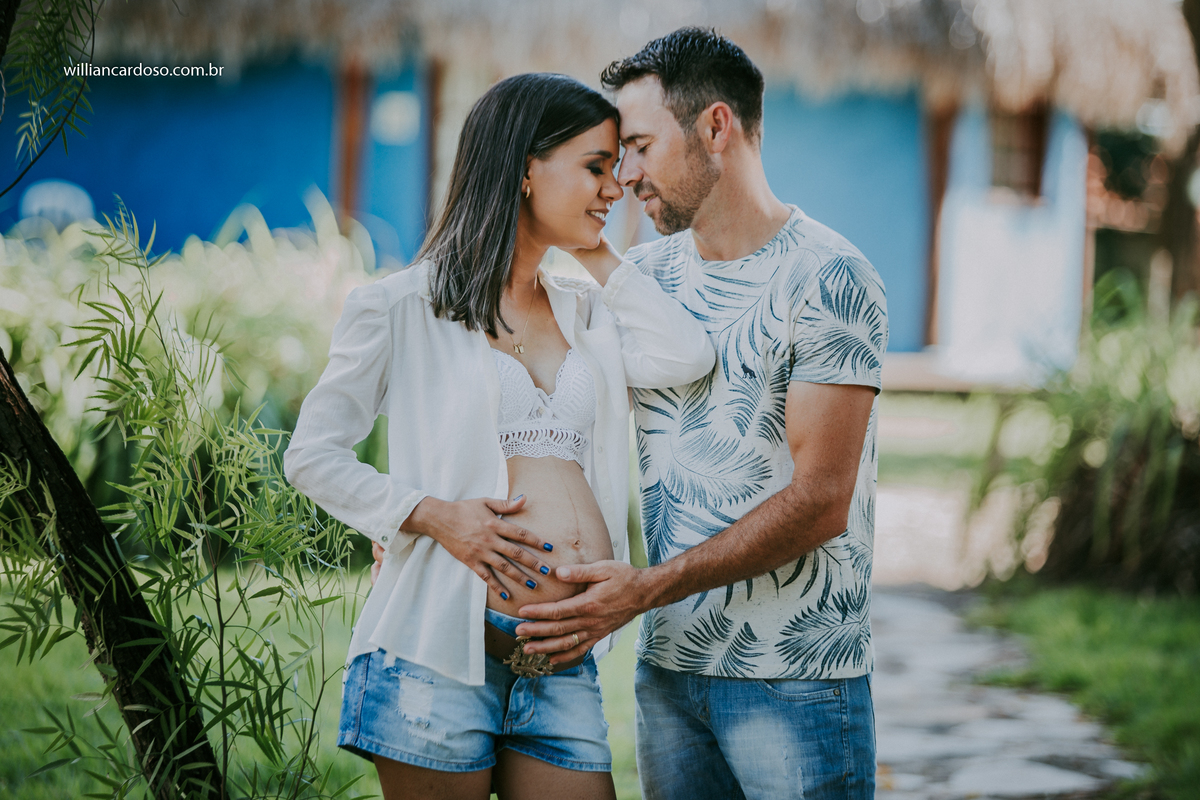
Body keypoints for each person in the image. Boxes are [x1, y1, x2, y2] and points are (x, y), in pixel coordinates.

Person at [284, 72, 714, 800]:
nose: (617, 187)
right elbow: (312, 457)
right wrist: (435, 516)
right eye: (595, 167)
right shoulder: (400, 307)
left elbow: (686, 355)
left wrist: (599, 255)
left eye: (615, 168)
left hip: (561, 665)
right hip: (437, 656)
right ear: (523, 169)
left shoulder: (584, 307)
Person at [511, 29, 889, 800]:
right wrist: (414, 520)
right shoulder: (637, 279)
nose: (626, 175)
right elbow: (537, 403)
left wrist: (646, 587)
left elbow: (821, 501)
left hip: (798, 679)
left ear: (716, 127)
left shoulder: (832, 278)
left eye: (642, 146)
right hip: (670, 676)